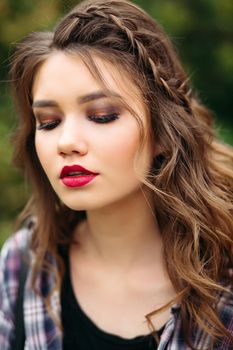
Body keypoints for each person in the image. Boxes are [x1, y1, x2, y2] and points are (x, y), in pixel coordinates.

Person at [0, 0, 232, 349]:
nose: (66, 143)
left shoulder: (224, 282)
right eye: (48, 122)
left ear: (162, 134)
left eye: (102, 115)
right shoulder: (22, 265)